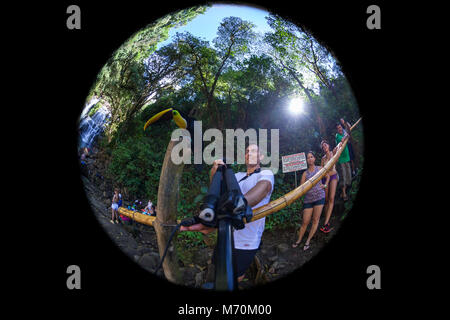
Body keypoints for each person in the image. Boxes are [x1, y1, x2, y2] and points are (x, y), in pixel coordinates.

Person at [180, 144, 274, 283]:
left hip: (246, 240)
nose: (249, 153)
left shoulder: (265, 174)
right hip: (226, 233)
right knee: (218, 270)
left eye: (253, 151)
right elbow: (216, 187)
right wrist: (215, 169)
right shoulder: (236, 176)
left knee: (235, 277)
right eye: (247, 151)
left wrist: (239, 204)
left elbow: (264, 188)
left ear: (261, 156)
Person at [292, 151, 326, 250]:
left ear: (314, 158)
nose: (310, 159)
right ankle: (299, 240)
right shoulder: (305, 173)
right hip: (308, 200)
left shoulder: (320, 169)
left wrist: (325, 185)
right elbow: (301, 188)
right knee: (305, 221)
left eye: (311, 157)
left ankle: (308, 241)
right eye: (308, 158)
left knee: (315, 220)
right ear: (306, 160)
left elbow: (328, 176)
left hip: (319, 197)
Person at [320, 140, 339, 233]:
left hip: (333, 177)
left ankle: (326, 223)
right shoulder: (323, 159)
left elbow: (341, 144)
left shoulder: (333, 152)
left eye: (325, 145)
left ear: (328, 145)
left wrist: (346, 133)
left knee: (331, 198)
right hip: (325, 179)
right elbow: (320, 171)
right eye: (323, 146)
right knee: (326, 200)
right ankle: (326, 220)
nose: (324, 147)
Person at [335, 124, 351, 201]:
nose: (339, 129)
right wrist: (346, 135)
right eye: (338, 128)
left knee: (348, 175)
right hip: (341, 159)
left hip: (347, 157)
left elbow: (349, 132)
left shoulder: (344, 133)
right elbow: (342, 140)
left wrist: (347, 133)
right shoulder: (337, 135)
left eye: (340, 127)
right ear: (337, 130)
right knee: (343, 176)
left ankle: (343, 193)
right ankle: (344, 194)